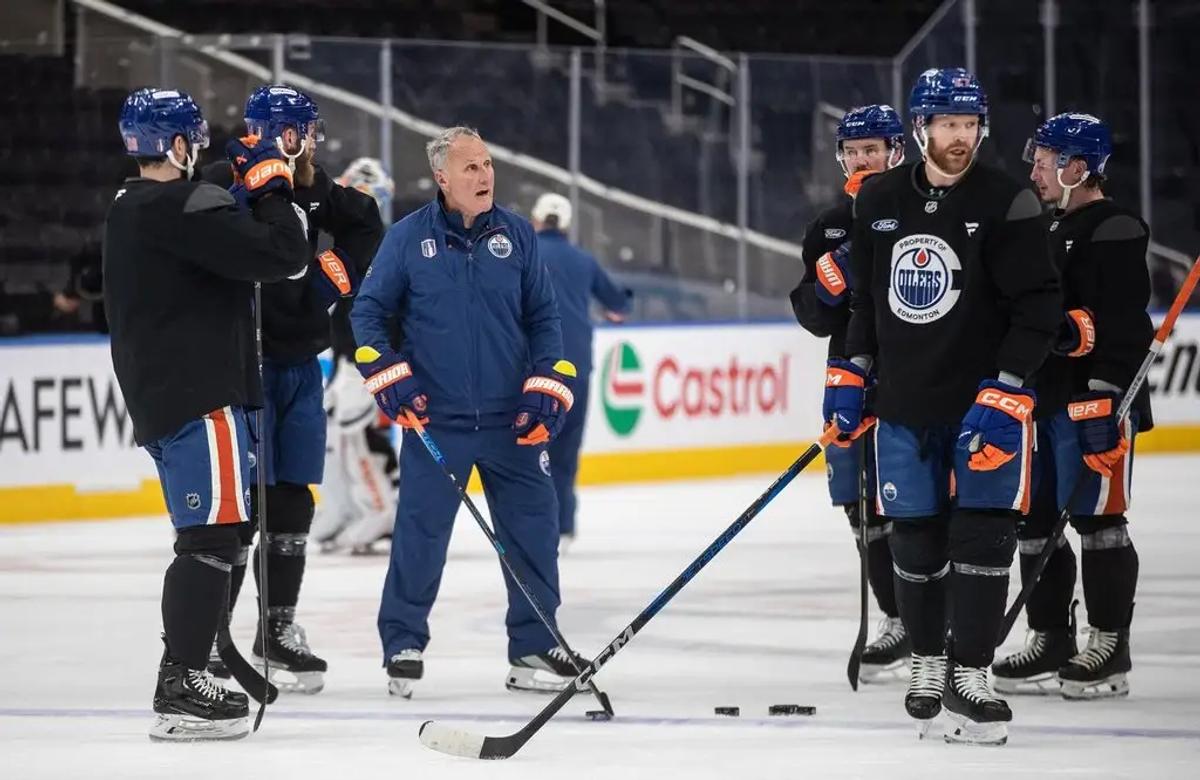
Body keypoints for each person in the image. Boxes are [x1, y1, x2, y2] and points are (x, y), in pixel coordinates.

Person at [832, 68, 1061, 745]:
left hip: (985, 404)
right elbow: (868, 302)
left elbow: (1040, 307)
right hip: (905, 403)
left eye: (969, 125)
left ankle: (973, 673)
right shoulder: (877, 200)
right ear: (921, 128)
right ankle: (928, 662)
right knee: (915, 537)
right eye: (947, 125)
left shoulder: (1008, 201)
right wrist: (854, 370)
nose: (960, 137)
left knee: (985, 535)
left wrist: (1010, 382)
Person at [103, 87, 309, 740]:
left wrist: (233, 188)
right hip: (202, 394)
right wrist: (272, 183)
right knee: (212, 540)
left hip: (169, 393)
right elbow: (285, 255)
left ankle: (191, 667)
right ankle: (181, 682)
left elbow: (214, 233)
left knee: (217, 536)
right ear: (180, 144)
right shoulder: (180, 203)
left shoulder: (133, 205)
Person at [351, 126, 585, 698]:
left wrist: (545, 384)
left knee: (534, 531)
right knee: (420, 536)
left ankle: (534, 644)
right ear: (442, 178)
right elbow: (369, 316)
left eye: (487, 164)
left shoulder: (518, 236)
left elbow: (544, 320)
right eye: (471, 168)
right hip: (437, 421)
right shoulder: (407, 239)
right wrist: (389, 377)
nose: (484, 176)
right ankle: (403, 641)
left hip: (514, 424)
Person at [200, 84, 384, 694]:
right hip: (241, 368)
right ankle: (211, 638)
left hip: (301, 366)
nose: (310, 141)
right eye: (302, 130)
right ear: (281, 132)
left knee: (292, 502)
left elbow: (367, 224)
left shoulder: (315, 185)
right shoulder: (227, 180)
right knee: (240, 508)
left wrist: (329, 285)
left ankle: (275, 629)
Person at [992, 113, 1152, 700]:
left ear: (1077, 167)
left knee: (1098, 523)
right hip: (1042, 399)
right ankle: (1050, 639)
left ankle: (1110, 645)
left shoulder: (1115, 227)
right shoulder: (1045, 226)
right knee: (1034, 522)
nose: (1033, 168)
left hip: (1092, 401)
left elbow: (1123, 325)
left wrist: (1106, 397)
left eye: (1045, 159)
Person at [789, 104, 909, 684]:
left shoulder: (927, 212)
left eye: (873, 148)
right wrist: (830, 281)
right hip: (850, 383)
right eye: (854, 150)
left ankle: (936, 622)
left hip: (918, 379)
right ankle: (897, 618)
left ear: (897, 151)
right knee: (862, 510)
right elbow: (815, 316)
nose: (863, 158)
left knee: (918, 502)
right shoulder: (830, 226)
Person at [531, 192, 631, 549]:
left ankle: (533, 524)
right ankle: (564, 525)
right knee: (566, 449)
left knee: (531, 446)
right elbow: (618, 304)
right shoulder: (583, 260)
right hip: (576, 366)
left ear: (537, 220)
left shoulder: (523, 255)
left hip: (534, 367)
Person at [312, 157, 400, 555]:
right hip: (349, 358)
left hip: (367, 361)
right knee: (334, 437)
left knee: (355, 436)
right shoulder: (354, 241)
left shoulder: (384, 246)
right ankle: (345, 509)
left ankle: (380, 509)